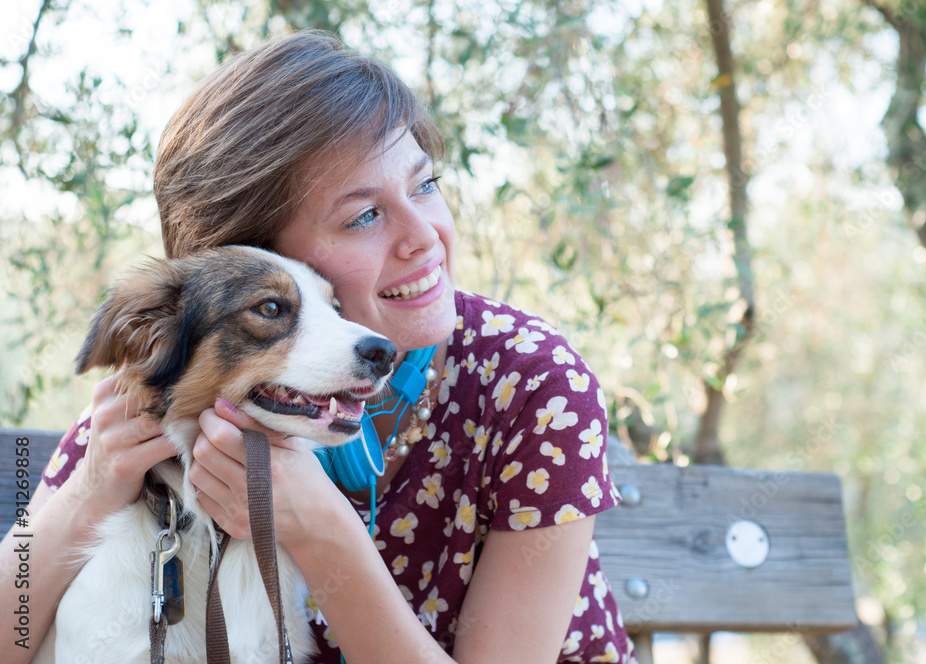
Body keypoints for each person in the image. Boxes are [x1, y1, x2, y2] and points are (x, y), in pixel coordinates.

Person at [1, 31, 637, 663]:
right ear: (251, 257)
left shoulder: (532, 381)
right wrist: (87, 494)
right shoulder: (188, 367)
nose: (426, 237)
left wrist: (322, 529)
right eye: (363, 215)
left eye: (424, 185)